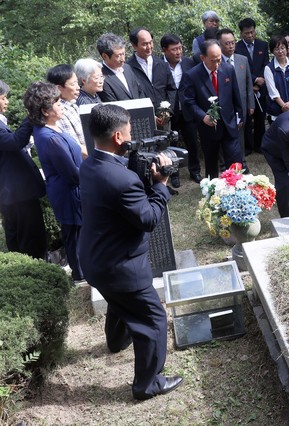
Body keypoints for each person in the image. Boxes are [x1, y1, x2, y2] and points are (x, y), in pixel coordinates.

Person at [78, 103, 182, 401]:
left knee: (119, 302)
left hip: (95, 261)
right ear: (120, 137)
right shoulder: (122, 180)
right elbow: (148, 219)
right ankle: (148, 384)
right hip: (120, 268)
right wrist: (161, 185)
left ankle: (116, 341)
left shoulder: (90, 165)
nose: (132, 134)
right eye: (130, 131)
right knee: (152, 319)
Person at [24, 82, 83, 281]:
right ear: (45, 111)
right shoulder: (50, 138)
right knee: (75, 235)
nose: (61, 106)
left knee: (77, 233)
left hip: (69, 189)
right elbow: (72, 176)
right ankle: (81, 276)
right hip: (69, 193)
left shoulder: (52, 129)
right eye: (57, 103)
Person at [181, 39, 245, 178]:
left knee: (235, 161)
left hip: (229, 123)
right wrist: (203, 116)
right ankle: (213, 191)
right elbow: (188, 102)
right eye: (213, 61)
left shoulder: (228, 69)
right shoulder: (192, 75)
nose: (217, 64)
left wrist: (240, 115)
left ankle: (237, 187)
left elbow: (235, 95)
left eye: (219, 59)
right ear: (202, 58)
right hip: (208, 127)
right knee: (211, 162)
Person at [0, 80, 47, 260]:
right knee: (30, 239)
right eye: (3, 98)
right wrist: (30, 117)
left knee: (19, 238)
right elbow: (14, 142)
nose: (7, 102)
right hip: (16, 194)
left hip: (13, 194)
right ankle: (37, 274)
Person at [161, 33, 202, 184]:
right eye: (174, 49)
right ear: (165, 50)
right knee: (171, 144)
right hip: (169, 112)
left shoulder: (188, 63)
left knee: (192, 142)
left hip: (187, 110)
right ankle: (174, 174)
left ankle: (195, 171)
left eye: (180, 48)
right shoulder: (159, 65)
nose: (178, 52)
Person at [127, 28, 177, 129]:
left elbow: (171, 89)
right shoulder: (128, 68)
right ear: (134, 45)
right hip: (142, 121)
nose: (149, 47)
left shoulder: (162, 65)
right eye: (145, 44)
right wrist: (148, 115)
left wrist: (167, 111)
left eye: (150, 42)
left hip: (164, 119)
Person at [216, 29, 255, 159]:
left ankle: (241, 161)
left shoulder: (242, 60)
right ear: (219, 45)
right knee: (223, 135)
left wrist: (251, 104)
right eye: (227, 43)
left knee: (240, 134)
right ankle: (223, 163)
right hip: (223, 106)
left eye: (233, 43)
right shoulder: (216, 62)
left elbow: (249, 84)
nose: (231, 46)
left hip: (242, 105)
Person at [235, 18, 269, 154]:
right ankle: (248, 146)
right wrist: (253, 81)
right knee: (247, 118)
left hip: (261, 88)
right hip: (245, 88)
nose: (250, 35)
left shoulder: (263, 45)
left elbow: (265, 64)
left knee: (261, 118)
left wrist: (260, 82)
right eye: (246, 33)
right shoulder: (237, 47)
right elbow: (240, 69)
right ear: (241, 33)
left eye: (252, 32)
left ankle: (259, 145)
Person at [46, 64, 88, 159]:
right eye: (73, 84)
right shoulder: (59, 112)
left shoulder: (72, 104)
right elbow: (76, 147)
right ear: (58, 88)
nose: (78, 87)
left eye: (77, 83)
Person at [97, 33, 145, 102]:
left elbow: (140, 91)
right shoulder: (101, 76)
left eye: (123, 54)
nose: (123, 59)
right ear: (105, 56)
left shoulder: (127, 68)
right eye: (118, 55)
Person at [264, 35, 289, 121]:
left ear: (287, 48)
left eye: (282, 48)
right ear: (272, 51)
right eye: (276, 49)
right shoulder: (269, 68)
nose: (280, 51)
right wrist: (283, 105)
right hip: (276, 111)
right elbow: (273, 91)